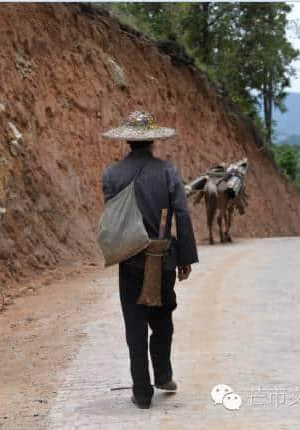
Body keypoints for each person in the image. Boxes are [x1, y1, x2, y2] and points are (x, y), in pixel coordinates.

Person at [101, 111, 198, 409]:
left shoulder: (111, 175)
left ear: (127, 140)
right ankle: (164, 374)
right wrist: (185, 257)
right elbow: (181, 214)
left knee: (134, 325)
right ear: (153, 140)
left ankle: (142, 392)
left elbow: (113, 220)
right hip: (163, 259)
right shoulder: (168, 172)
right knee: (162, 319)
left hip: (129, 260)